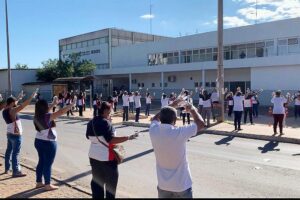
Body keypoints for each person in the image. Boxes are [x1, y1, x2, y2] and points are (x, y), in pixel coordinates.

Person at [149, 98, 205, 198]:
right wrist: (192, 109)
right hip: (182, 185)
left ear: (161, 118)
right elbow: (200, 124)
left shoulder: (153, 130)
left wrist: (172, 105)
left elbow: (154, 119)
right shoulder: (179, 132)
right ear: (175, 120)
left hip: (163, 185)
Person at [86, 101, 139, 199]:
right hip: (107, 158)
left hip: (93, 156)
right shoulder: (106, 123)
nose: (110, 113)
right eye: (109, 111)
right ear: (105, 111)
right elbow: (111, 140)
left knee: (97, 183)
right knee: (111, 185)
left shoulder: (91, 122)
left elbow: (88, 137)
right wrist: (128, 137)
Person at [33, 98, 76, 191]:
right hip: (48, 142)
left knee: (41, 162)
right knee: (48, 164)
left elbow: (46, 111)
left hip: (38, 141)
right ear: (44, 107)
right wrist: (71, 105)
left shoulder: (37, 116)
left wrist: (53, 104)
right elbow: (60, 112)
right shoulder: (47, 116)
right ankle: (47, 184)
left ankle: (39, 182)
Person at [2, 90, 37, 177]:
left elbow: (15, 103)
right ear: (12, 103)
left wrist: (19, 97)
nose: (15, 103)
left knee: (8, 151)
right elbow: (23, 105)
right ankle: (16, 171)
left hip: (9, 133)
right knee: (15, 153)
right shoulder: (12, 110)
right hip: (15, 134)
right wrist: (31, 97)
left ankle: (7, 168)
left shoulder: (5, 110)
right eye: (14, 102)